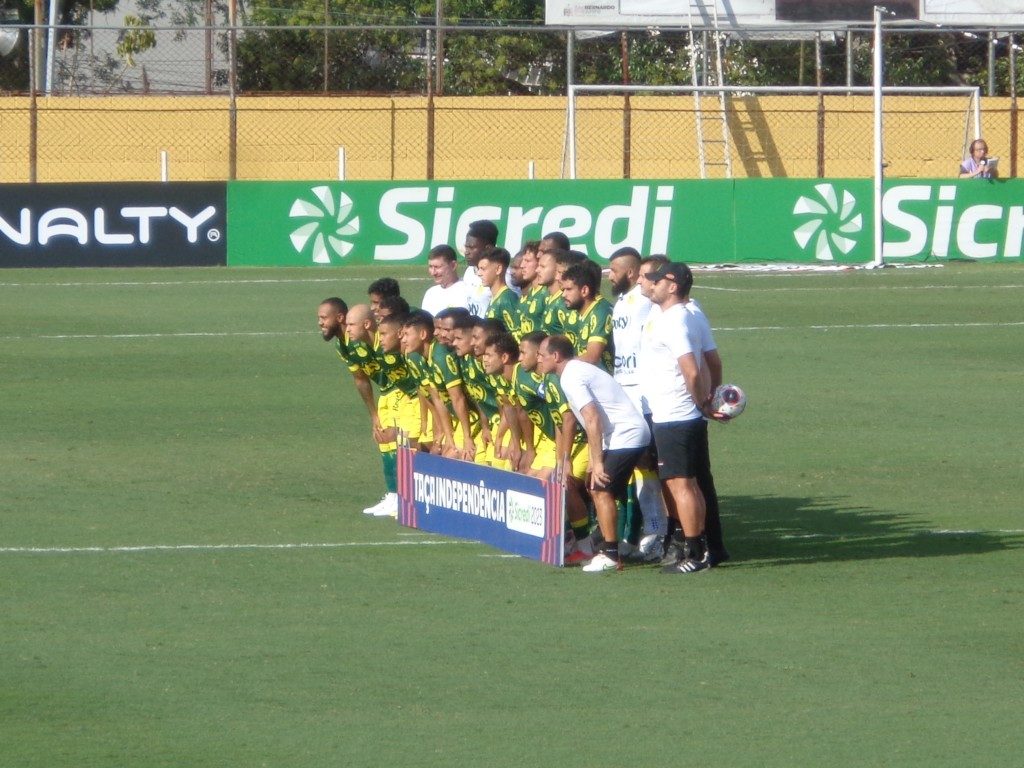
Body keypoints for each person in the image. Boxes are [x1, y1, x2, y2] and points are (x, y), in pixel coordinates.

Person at [537, 335, 651, 573]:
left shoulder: (570, 376)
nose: (539, 360)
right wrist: (593, 458)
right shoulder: (574, 372)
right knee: (595, 487)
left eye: (541, 355)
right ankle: (605, 542)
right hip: (619, 435)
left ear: (555, 356)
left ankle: (610, 553)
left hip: (625, 435)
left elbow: (592, 417)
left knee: (601, 489)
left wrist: (597, 461)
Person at [638, 261, 717, 574]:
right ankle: (699, 548)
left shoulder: (674, 322)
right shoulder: (686, 316)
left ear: (673, 286)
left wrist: (701, 402)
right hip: (680, 414)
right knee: (689, 485)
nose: (652, 285)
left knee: (681, 485)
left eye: (658, 281)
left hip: (675, 414)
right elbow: (713, 361)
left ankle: (696, 554)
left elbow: (692, 369)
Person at [560, 260, 615, 374]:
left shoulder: (601, 311)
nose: (563, 294)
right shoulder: (584, 312)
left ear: (584, 290)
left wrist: (561, 363)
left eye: (569, 289)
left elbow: (592, 357)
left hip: (609, 382)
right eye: (563, 290)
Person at [421, 245, 471, 317]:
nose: (433, 272)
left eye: (437, 267)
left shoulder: (467, 291)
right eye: (430, 267)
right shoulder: (430, 293)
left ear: (453, 266)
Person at [479, 247, 520, 334]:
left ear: (498, 269)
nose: (479, 273)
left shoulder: (507, 299)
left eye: (483, 269)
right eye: (479, 269)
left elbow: (516, 333)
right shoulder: (495, 298)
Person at [462, 219, 498, 317]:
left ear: (488, 248)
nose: (466, 252)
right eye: (466, 247)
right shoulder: (469, 272)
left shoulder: (502, 275)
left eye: (472, 248)